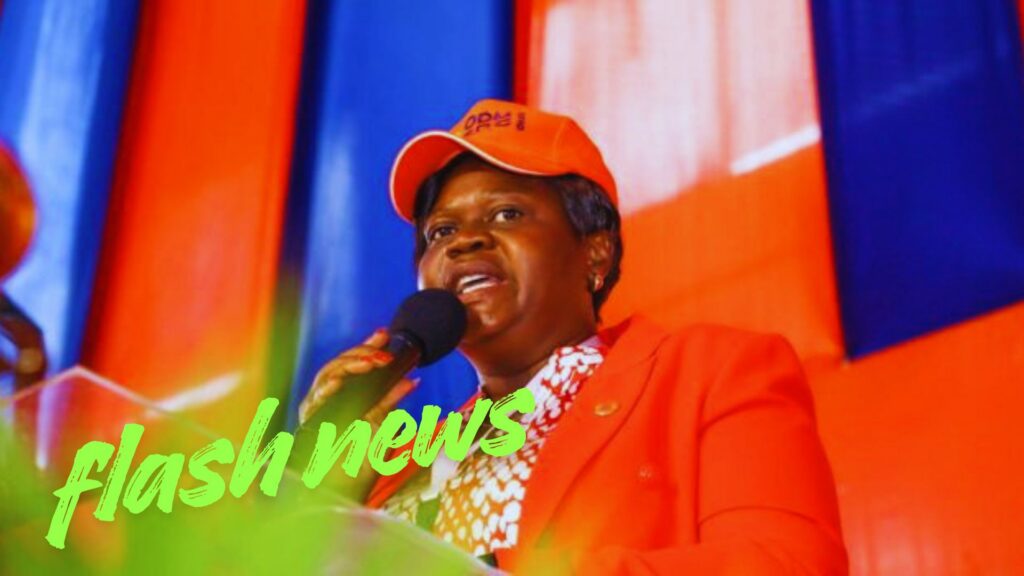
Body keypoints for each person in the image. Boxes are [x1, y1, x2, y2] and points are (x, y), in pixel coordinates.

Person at [299, 99, 848, 574]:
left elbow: (788, 566)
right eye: (441, 231)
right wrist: (325, 486)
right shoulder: (396, 461)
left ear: (595, 253)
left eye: (506, 214)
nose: (463, 242)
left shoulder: (712, 372)